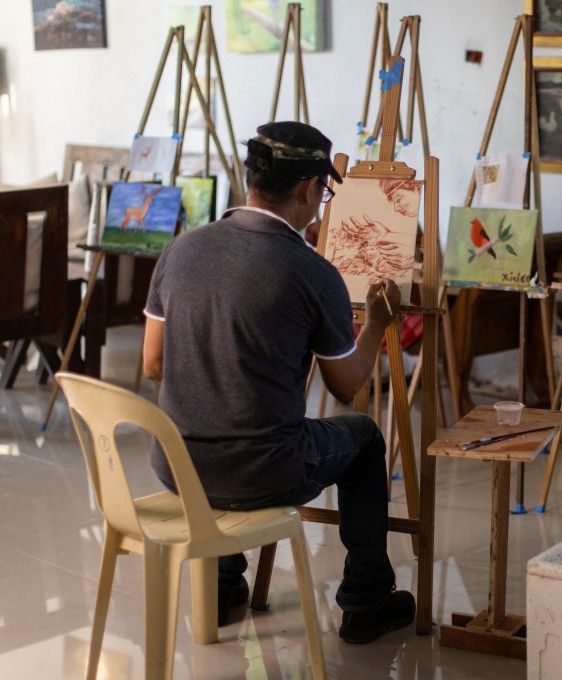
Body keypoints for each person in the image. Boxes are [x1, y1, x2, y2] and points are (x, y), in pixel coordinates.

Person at [142, 121, 415, 643]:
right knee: (363, 437)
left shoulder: (180, 250)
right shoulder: (311, 272)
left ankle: (223, 584)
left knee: (230, 420)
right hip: (264, 475)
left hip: (178, 467)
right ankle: (367, 597)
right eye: (326, 192)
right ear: (310, 189)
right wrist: (378, 324)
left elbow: (154, 364)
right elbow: (345, 384)